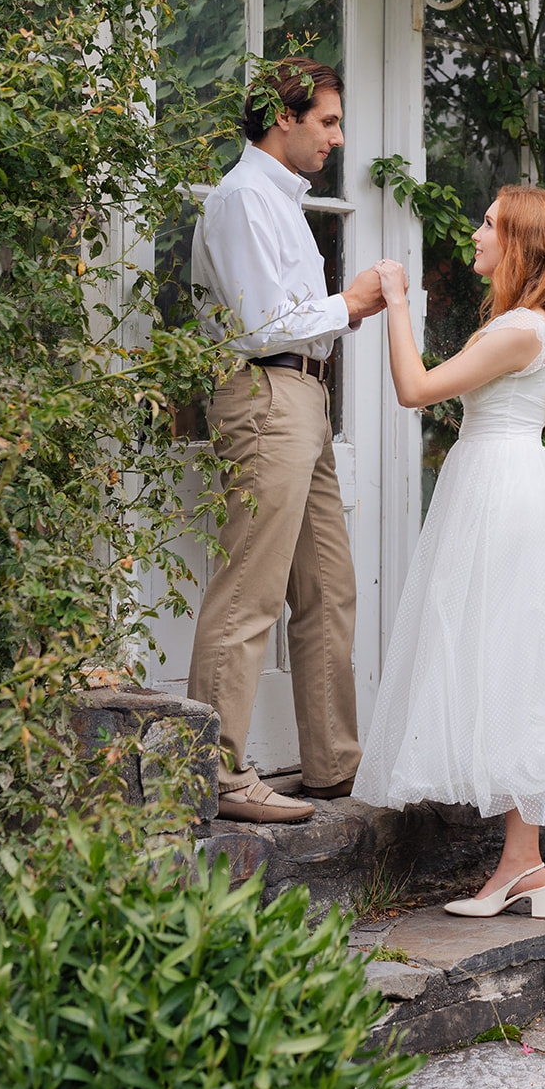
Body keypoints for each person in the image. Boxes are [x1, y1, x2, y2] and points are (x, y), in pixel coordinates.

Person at [353, 185, 545, 917]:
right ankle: (524, 865)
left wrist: (394, 299)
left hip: (502, 499)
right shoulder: (522, 322)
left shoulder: (520, 328)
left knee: (501, 663)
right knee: (502, 663)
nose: (474, 232)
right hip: (497, 488)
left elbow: (414, 389)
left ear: (519, 243)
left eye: (488, 223)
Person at [188, 57, 385, 825]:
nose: (336, 138)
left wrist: (339, 311)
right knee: (249, 590)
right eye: (328, 122)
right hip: (265, 390)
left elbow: (288, 314)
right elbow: (261, 324)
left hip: (302, 393)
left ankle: (333, 765)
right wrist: (350, 300)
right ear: (285, 117)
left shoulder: (278, 202)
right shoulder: (242, 199)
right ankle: (215, 775)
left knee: (328, 588)